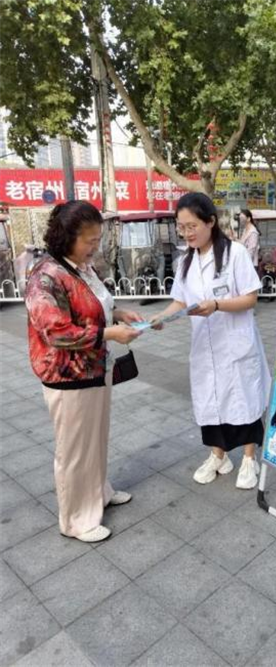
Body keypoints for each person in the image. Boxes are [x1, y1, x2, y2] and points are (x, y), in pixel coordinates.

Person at [25, 201, 143, 543]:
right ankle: (75, 520)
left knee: (96, 439)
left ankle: (99, 493)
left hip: (95, 368)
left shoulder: (81, 267)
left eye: (97, 239)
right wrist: (109, 333)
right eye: (90, 240)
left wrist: (118, 314)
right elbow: (57, 332)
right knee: (74, 450)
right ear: (67, 237)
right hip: (68, 376)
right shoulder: (46, 275)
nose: (95, 246)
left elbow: (94, 306)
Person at [151, 193, 271, 490]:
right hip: (205, 347)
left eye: (192, 226)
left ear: (210, 222)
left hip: (236, 344)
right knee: (211, 403)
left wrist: (217, 305)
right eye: (181, 227)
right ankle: (219, 456)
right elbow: (180, 301)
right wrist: (160, 318)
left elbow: (250, 298)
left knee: (244, 399)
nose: (186, 233)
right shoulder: (185, 261)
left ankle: (249, 458)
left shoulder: (235, 253)